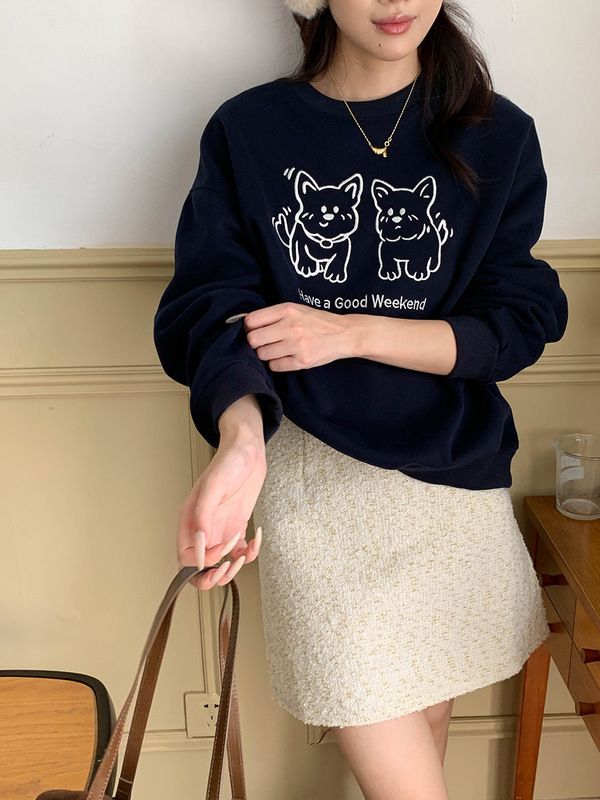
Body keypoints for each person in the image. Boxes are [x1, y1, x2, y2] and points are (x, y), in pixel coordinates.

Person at [153, 1, 568, 797]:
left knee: (423, 740)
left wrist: (351, 332)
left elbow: (515, 322)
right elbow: (210, 312)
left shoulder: (499, 134)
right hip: (314, 482)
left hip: (450, 480)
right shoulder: (250, 130)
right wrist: (241, 441)